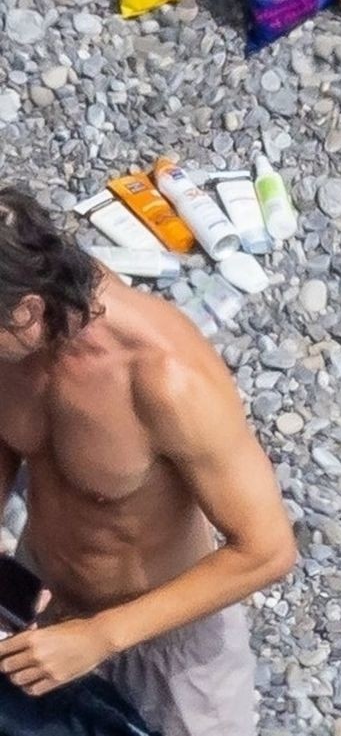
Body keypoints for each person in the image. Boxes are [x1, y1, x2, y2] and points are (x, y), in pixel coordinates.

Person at [0, 187, 298, 733]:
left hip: (164, 634)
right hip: (42, 594)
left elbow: (268, 550)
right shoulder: (13, 338)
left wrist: (99, 637)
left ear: (29, 311)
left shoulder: (166, 379)